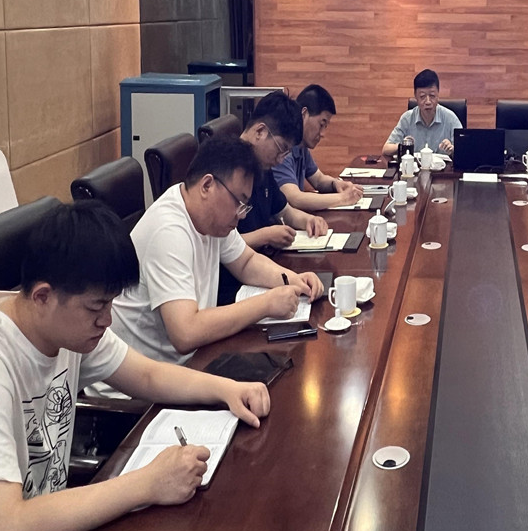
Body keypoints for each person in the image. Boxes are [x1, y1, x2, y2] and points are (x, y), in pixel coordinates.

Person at [0, 201, 271, 531]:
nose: (107, 320)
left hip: (55, 530)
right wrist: (147, 484)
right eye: (96, 307)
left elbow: (146, 375)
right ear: (43, 296)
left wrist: (227, 389)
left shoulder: (62, 327)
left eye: (110, 304)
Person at [98, 137, 324, 376]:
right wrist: (266, 304)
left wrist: (295, 280)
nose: (241, 215)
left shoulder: (209, 217)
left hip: (191, 362)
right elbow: (185, 333)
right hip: (142, 382)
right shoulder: (168, 231)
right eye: (239, 202)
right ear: (207, 185)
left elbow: (246, 262)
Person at [235, 90, 329, 251]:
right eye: (281, 149)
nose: (280, 160)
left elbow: (284, 211)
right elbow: (219, 245)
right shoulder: (228, 169)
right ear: (260, 132)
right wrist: (265, 236)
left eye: (286, 153)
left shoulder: (263, 166)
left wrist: (308, 220)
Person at [273, 83, 365, 211]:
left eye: (325, 127)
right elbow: (294, 198)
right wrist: (343, 198)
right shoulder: (282, 147)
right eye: (321, 124)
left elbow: (318, 180)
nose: (322, 134)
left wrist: (336, 184)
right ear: (304, 114)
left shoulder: (301, 146)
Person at [381, 69, 461, 156]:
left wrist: (453, 149)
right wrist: (403, 145)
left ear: (438, 94)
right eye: (422, 96)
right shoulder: (407, 118)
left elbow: (464, 151)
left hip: (443, 165)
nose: (428, 102)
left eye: (432, 96)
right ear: (416, 96)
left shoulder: (450, 118)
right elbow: (386, 149)